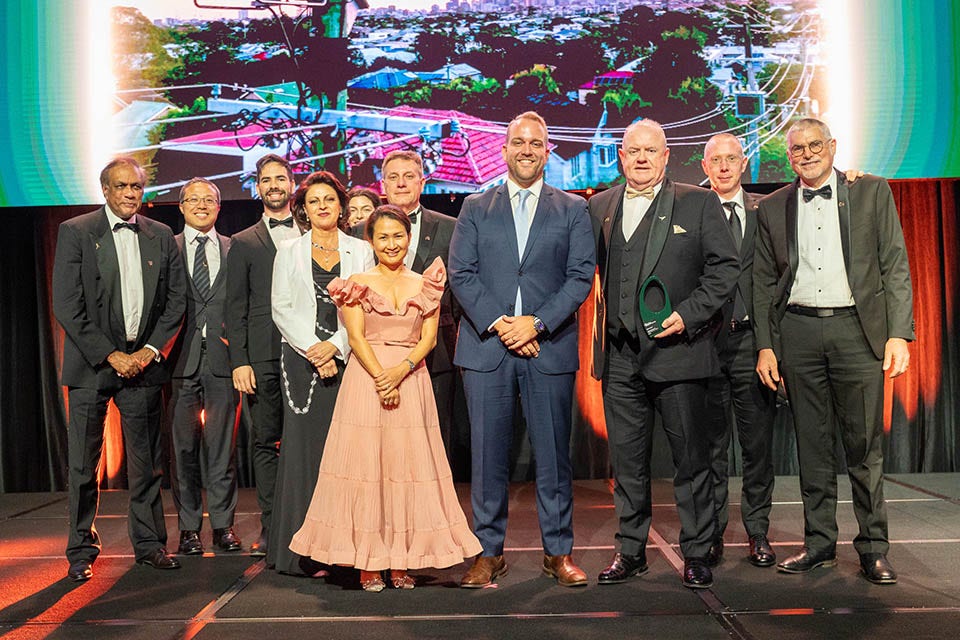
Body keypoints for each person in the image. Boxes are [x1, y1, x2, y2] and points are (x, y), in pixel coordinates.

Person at [753, 118, 914, 585]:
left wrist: (898, 333)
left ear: (833, 146)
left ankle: (872, 548)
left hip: (856, 332)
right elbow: (763, 284)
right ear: (789, 156)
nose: (806, 153)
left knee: (864, 447)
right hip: (798, 334)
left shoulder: (870, 191)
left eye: (814, 145)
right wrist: (766, 345)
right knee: (813, 447)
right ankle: (820, 544)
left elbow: (894, 264)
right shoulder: (773, 206)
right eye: (797, 148)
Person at [289, 204, 481, 592]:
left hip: (411, 379)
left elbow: (429, 338)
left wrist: (399, 371)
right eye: (382, 237)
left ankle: (401, 561)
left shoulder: (425, 283)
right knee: (368, 471)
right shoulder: (357, 282)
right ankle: (368, 564)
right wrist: (381, 376)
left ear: (408, 238)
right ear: (371, 242)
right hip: (367, 380)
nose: (391, 244)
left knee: (407, 470)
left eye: (398, 236)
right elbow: (356, 337)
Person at [589, 120, 739, 589]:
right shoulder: (599, 206)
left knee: (690, 462)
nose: (641, 158)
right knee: (628, 463)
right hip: (619, 357)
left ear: (667, 155)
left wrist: (690, 314)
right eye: (633, 150)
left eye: (650, 151)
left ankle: (696, 552)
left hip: (679, 352)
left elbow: (725, 267)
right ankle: (630, 551)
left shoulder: (698, 202)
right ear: (620, 154)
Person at [449, 111, 595, 588]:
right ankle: (488, 553)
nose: (527, 150)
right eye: (518, 142)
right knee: (487, 458)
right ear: (505, 148)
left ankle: (558, 552)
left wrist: (535, 324)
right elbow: (462, 273)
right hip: (487, 347)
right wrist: (502, 325)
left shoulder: (572, 209)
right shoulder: (474, 206)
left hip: (547, 347)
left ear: (547, 150)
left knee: (554, 456)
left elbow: (579, 279)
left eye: (536, 143)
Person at [52, 156, 186, 581]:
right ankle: (80, 550)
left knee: (147, 464)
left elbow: (176, 302)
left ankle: (149, 545)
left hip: (143, 365)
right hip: (95, 365)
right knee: (83, 464)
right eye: (122, 187)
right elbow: (67, 305)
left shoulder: (162, 235)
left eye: (137, 187)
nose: (131, 194)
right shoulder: (76, 231)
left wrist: (148, 351)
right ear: (105, 190)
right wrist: (111, 355)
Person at [269, 171, 374, 575]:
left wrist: (336, 345)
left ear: (342, 206)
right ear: (303, 209)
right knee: (305, 453)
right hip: (300, 360)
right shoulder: (288, 251)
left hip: (349, 358)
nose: (323, 206)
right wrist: (315, 349)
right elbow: (281, 307)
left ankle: (346, 553)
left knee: (346, 453)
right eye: (314, 201)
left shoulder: (360, 251)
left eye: (329, 199)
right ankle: (302, 554)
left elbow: (364, 307)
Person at [699, 134, 777, 569]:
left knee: (756, 446)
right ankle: (711, 534)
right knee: (710, 447)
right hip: (706, 346)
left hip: (751, 345)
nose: (725, 167)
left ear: (744, 164)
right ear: (704, 166)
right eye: (717, 160)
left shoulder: (765, 211)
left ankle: (758, 532)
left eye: (732, 159)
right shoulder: (691, 210)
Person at [225, 154, 300, 557]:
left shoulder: (314, 230)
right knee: (266, 441)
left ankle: (307, 522)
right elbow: (234, 306)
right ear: (257, 187)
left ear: (293, 183)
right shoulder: (243, 242)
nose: (274, 185)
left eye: (280, 178)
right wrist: (240, 360)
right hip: (264, 357)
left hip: (309, 354)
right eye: (266, 179)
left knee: (306, 443)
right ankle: (273, 526)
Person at [168, 178, 242, 556]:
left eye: (208, 200)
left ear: (218, 207)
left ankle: (223, 526)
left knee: (221, 448)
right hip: (179, 361)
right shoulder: (167, 247)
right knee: (183, 451)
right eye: (192, 200)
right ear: (181, 207)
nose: (200, 205)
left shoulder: (235, 248)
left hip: (223, 362)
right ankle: (188, 530)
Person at [379, 150, 461, 465]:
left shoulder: (451, 227)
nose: (401, 183)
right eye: (393, 177)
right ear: (383, 184)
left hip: (437, 352)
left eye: (409, 176)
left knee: (435, 438)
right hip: (381, 354)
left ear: (422, 182)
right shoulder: (362, 231)